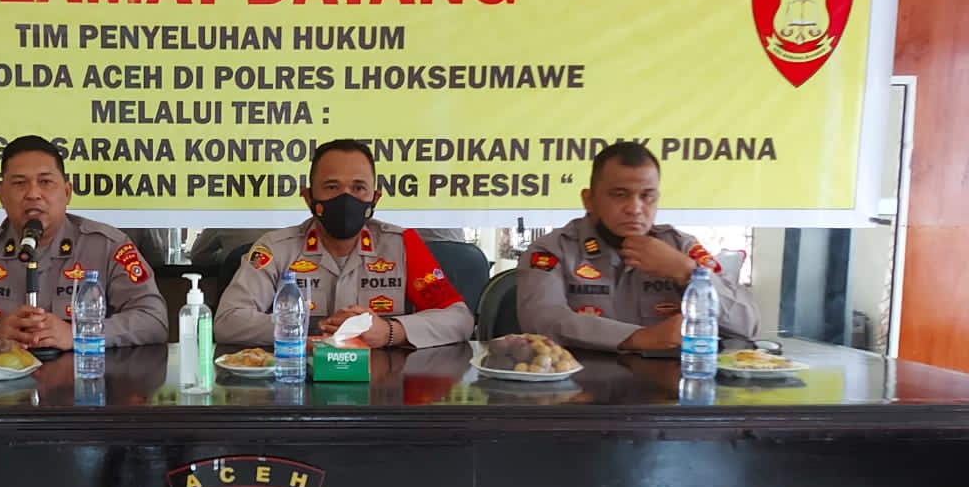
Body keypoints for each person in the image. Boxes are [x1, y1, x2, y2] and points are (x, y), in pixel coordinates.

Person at [0, 136, 169, 348]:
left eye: (45, 182)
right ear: (1, 195)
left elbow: (153, 319)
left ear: (67, 192)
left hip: (80, 387)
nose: (33, 194)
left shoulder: (107, 246)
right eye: (20, 183)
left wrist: (79, 333)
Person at [213, 139, 474, 348]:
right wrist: (313, 328)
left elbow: (459, 318)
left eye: (359, 188)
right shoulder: (275, 248)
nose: (346, 198)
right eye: (332, 187)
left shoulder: (403, 246)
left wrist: (390, 331)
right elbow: (227, 321)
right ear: (308, 197)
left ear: (375, 198)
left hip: (384, 386)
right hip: (298, 380)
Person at [515, 141, 760, 352]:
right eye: (619, 194)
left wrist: (687, 272)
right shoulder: (553, 250)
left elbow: (747, 325)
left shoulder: (680, 247)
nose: (635, 208)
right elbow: (541, 321)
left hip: (667, 388)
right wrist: (639, 337)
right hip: (579, 385)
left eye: (647, 196)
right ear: (589, 200)